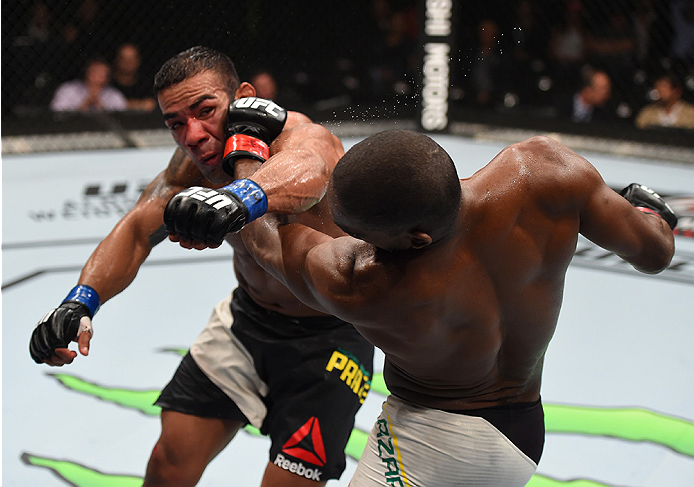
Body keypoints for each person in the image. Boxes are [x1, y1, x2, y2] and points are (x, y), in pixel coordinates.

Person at [163, 129, 676, 486]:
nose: (349, 239)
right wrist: (647, 210)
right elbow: (656, 251)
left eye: (360, 234)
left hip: (433, 444)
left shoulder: (368, 284)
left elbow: (268, 244)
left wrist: (245, 158)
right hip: (522, 431)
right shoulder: (544, 171)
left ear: (417, 237)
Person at [30, 46, 374, 487]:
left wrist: (236, 199)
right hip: (248, 320)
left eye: (205, 110)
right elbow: (137, 230)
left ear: (244, 97)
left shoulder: (302, 137)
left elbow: (308, 174)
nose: (193, 135)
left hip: (332, 336)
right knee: (169, 461)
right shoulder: (190, 167)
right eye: (176, 123)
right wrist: (81, 301)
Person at [50, 56, 127, 112]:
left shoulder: (114, 95)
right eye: (94, 73)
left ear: (107, 79)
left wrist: (102, 109)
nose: (96, 78)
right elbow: (55, 114)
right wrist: (83, 106)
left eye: (101, 75)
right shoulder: (68, 89)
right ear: (86, 73)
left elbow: (121, 118)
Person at [111, 43, 157, 111]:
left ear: (138, 60)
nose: (128, 62)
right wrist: (139, 105)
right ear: (116, 60)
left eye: (132, 58)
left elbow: (151, 104)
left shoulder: (147, 84)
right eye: (123, 58)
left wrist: (120, 104)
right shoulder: (107, 82)